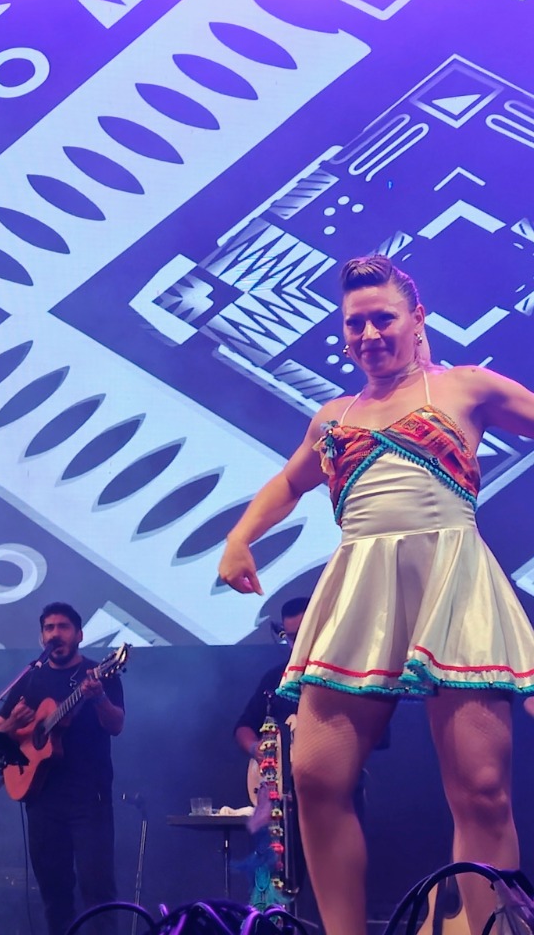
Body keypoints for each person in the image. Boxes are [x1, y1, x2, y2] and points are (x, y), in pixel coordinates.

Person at [218, 254, 534, 935]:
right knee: (316, 779)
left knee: (481, 793)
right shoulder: (334, 416)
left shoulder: (467, 387)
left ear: (417, 319)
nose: (366, 334)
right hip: (360, 591)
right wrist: (241, 536)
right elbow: (289, 483)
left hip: (453, 583)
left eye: (381, 318)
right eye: (353, 323)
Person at [0, 602, 125, 935]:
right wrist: (14, 726)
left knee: (98, 891)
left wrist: (98, 699)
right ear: (41, 637)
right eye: (49, 628)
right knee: (54, 892)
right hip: (42, 799)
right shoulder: (31, 677)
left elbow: (116, 725)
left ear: (78, 635)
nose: (55, 634)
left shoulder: (97, 672)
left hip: (88, 797)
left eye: (63, 627)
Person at [233, 597, 307, 770]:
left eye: (303, 636)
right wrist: (255, 749)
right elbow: (244, 727)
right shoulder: (275, 678)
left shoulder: (341, 678)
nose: (296, 644)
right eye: (290, 638)